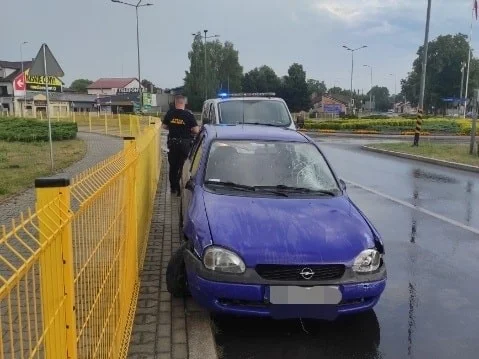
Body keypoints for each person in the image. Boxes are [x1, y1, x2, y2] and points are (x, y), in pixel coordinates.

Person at [162, 95, 200, 196]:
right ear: (184, 103)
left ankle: (173, 187)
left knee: (173, 166)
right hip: (185, 145)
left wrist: (173, 126)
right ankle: (180, 188)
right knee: (182, 166)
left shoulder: (170, 113)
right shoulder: (189, 115)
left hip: (173, 144)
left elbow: (164, 126)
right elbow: (196, 130)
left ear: (175, 103)